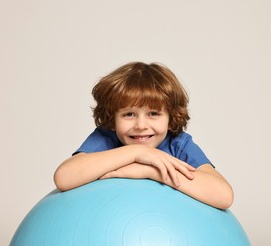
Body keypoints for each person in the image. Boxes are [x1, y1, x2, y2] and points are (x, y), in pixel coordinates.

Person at [54, 62, 233, 209]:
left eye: (153, 114)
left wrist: (151, 171)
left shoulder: (178, 144)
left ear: (171, 117)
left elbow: (224, 195)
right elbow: (64, 177)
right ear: (112, 118)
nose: (140, 126)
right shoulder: (106, 138)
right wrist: (137, 153)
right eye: (128, 114)